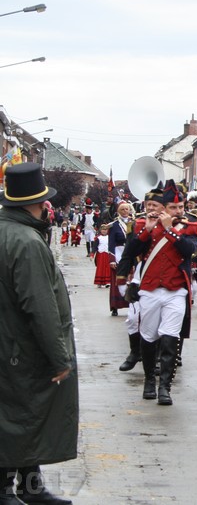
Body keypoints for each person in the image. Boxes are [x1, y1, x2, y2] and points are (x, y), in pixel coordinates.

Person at [0, 163, 77, 505]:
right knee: (20, 416)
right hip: (23, 347)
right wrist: (60, 358)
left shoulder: (11, 231)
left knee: (22, 415)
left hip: (11, 342)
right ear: (36, 204)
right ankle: (6, 490)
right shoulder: (26, 241)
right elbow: (40, 306)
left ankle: (30, 486)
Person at [128, 180, 197, 405]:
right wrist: (146, 231)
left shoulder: (190, 227)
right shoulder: (147, 226)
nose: (178, 211)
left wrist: (170, 230)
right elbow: (131, 253)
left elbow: (191, 251)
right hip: (150, 289)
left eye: (180, 207)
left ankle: (165, 388)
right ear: (163, 209)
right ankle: (149, 380)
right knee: (148, 337)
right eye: (173, 208)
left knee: (170, 338)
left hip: (176, 291)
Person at [116, 189, 163, 373]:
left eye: (154, 205)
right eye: (148, 204)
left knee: (158, 321)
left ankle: (157, 357)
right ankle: (135, 352)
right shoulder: (137, 224)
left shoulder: (172, 224)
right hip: (140, 276)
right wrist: (121, 279)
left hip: (162, 278)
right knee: (133, 318)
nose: (150, 208)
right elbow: (128, 254)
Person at [108, 202, 133, 317]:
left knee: (131, 280)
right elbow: (111, 243)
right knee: (117, 281)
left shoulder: (134, 222)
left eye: (126, 209)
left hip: (131, 253)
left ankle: (132, 303)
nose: (125, 211)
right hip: (119, 253)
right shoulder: (114, 225)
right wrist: (112, 259)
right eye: (122, 209)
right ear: (118, 211)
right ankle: (115, 306)